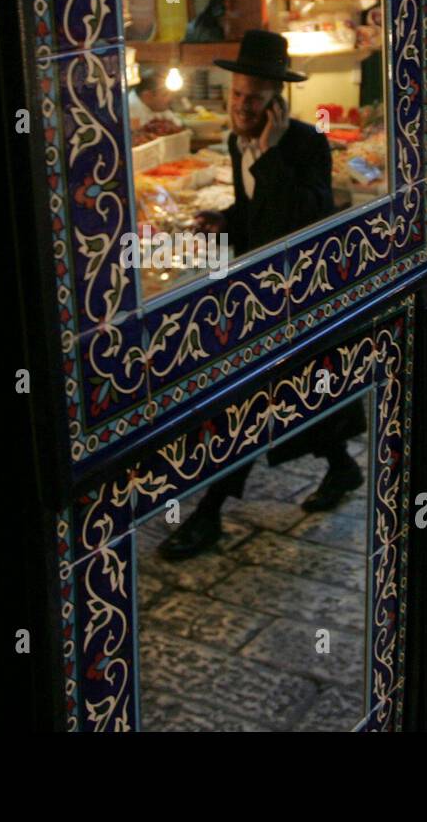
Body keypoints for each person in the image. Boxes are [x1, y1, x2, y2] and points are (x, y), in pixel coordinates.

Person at [157, 29, 365, 561]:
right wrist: (222, 219)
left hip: (296, 297)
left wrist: (271, 155)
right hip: (255, 291)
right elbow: (254, 215)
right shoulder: (233, 142)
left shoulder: (306, 145)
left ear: (276, 101)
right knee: (280, 401)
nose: (241, 107)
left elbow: (301, 219)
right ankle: (341, 464)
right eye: (236, 96)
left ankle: (207, 514)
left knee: (249, 404)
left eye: (253, 98)